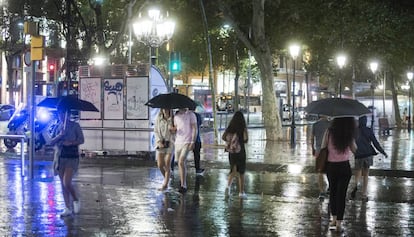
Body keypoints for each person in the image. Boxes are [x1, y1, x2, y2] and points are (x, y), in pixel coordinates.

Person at [322, 117, 357, 233]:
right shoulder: (348, 133)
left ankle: (334, 219)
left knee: (333, 192)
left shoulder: (329, 131)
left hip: (331, 167)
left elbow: (323, 147)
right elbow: (354, 149)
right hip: (344, 167)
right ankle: (339, 224)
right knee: (341, 194)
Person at [50, 109, 84, 217]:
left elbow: (81, 140)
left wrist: (71, 143)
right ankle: (67, 207)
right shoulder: (57, 127)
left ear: (68, 115)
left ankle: (75, 199)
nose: (62, 116)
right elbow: (51, 142)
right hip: (60, 157)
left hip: (72, 157)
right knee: (62, 184)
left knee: (67, 182)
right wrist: (60, 135)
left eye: (64, 114)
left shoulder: (75, 126)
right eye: (60, 114)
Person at [350, 116, 388, 201]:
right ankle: (364, 194)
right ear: (366, 121)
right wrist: (383, 152)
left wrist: (353, 152)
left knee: (358, 173)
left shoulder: (355, 131)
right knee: (366, 175)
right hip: (367, 155)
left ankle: (356, 185)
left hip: (358, 155)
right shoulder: (368, 130)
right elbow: (375, 143)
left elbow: (351, 143)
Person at [222, 111, 248, 199]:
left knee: (233, 170)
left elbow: (223, 137)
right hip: (240, 152)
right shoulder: (242, 128)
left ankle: (228, 187)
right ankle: (241, 192)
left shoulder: (230, 128)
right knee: (241, 172)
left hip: (232, 152)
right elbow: (245, 139)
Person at [171, 108, 197, 193]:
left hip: (187, 141)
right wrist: (173, 129)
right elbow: (176, 128)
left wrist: (193, 141)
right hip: (178, 141)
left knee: (181, 161)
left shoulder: (191, 115)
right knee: (180, 162)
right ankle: (182, 182)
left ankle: (183, 184)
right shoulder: (176, 116)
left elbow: (194, 128)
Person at [154, 108, 175, 191]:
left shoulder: (173, 118)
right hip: (161, 143)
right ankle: (167, 178)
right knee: (160, 165)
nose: (165, 110)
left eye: (167, 109)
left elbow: (177, 130)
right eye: (164, 109)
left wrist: (173, 130)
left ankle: (165, 184)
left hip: (170, 143)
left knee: (167, 164)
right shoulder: (158, 118)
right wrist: (159, 141)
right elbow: (156, 131)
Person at [311, 115, 330, 201]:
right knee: (330, 171)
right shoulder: (331, 124)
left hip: (319, 151)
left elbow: (312, 138)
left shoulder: (315, 125)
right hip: (329, 151)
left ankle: (322, 191)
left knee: (320, 172)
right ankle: (330, 188)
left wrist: (313, 149)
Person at [190, 106, 205, 175]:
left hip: (185, 138)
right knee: (196, 154)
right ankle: (197, 168)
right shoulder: (197, 115)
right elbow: (200, 123)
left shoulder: (185, 115)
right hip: (196, 138)